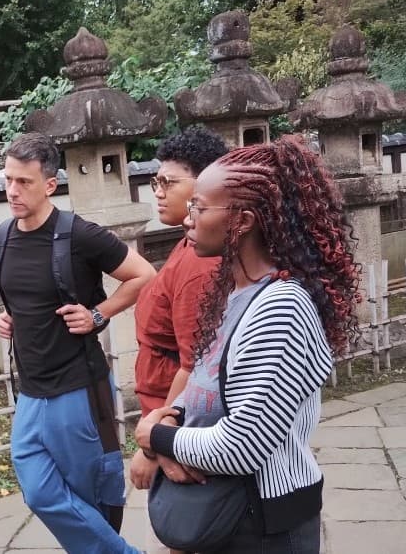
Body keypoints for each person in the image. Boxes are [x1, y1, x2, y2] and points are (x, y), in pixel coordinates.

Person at [135, 136, 360, 553]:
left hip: (265, 526)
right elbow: (205, 385)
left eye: (200, 207)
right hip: (224, 513)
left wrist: (156, 436)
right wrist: (172, 417)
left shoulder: (281, 308)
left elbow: (242, 446)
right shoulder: (233, 292)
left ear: (243, 220)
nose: (189, 217)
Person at [0, 132, 155, 554]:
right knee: (39, 491)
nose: (12, 191)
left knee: (92, 496)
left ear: (49, 185)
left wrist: (98, 314)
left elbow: (144, 275)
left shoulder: (78, 234)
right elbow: (27, 295)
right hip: (30, 389)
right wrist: (13, 317)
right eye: (8, 179)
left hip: (77, 387)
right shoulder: (3, 235)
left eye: (23, 182)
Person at [130, 128, 226, 554]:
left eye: (169, 182)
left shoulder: (199, 264)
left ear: (204, 185)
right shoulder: (188, 247)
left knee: (187, 534)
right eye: (156, 182)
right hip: (169, 418)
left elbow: (195, 363)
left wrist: (154, 447)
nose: (158, 191)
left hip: (180, 423)